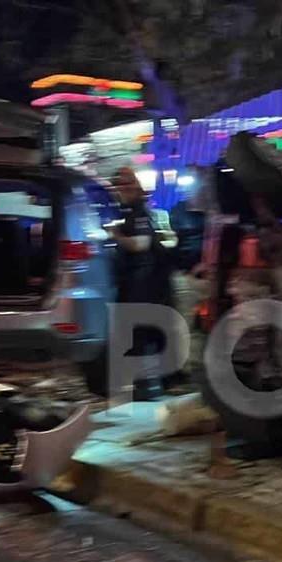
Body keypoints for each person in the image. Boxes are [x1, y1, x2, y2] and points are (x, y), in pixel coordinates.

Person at [109, 167, 176, 400]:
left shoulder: (138, 213)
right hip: (138, 282)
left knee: (140, 333)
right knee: (140, 333)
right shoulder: (128, 210)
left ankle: (148, 386)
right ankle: (147, 384)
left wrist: (115, 235)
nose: (122, 189)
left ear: (136, 187)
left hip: (143, 283)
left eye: (127, 185)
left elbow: (141, 244)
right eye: (119, 185)